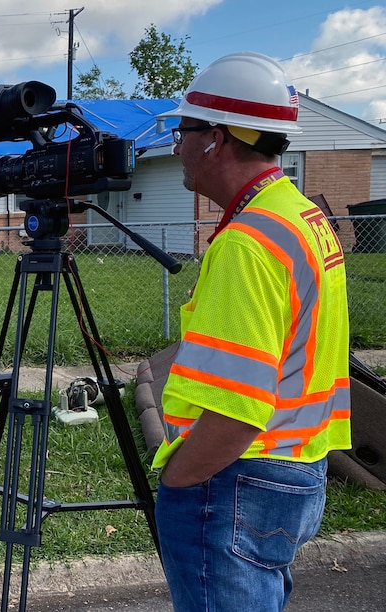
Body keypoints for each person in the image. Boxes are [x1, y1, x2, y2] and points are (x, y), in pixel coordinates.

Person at [152, 51, 350, 611]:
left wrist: (181, 484)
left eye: (183, 130)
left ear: (215, 138)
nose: (176, 146)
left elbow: (238, 410)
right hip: (296, 466)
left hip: (235, 479)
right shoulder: (300, 215)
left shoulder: (248, 243)